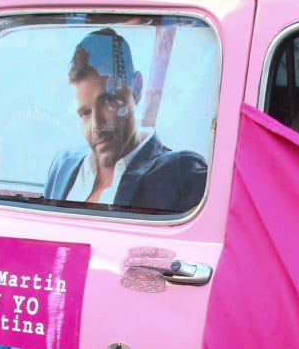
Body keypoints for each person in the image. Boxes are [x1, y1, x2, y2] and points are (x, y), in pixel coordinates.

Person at [44, 29, 205, 212]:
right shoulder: (63, 165)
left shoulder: (183, 174)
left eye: (107, 101)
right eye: (85, 113)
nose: (97, 126)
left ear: (136, 87)